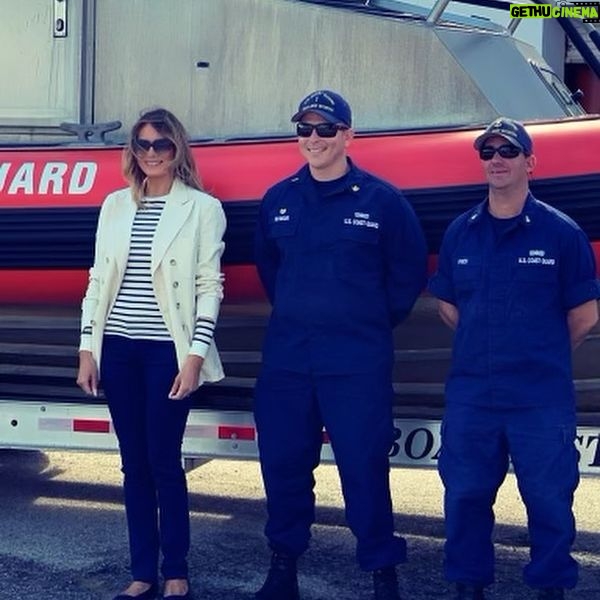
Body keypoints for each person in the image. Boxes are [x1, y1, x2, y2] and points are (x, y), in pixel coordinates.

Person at [253, 89, 428, 600]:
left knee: (363, 467)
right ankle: (283, 567)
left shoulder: (383, 202)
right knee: (283, 467)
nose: (313, 139)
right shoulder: (278, 199)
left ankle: (381, 572)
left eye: (324, 129)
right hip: (288, 360)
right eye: (304, 129)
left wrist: (362, 325)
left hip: (355, 364)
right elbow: (271, 272)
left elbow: (406, 278)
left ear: (348, 135)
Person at [428, 117, 600, 600]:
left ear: (530, 162)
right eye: (488, 152)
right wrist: (490, 345)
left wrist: (535, 350)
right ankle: (468, 586)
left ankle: (550, 588)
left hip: (538, 399)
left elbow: (584, 316)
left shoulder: (561, 234)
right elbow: (448, 306)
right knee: (464, 496)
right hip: (472, 396)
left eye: (508, 151)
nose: (497, 160)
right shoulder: (462, 232)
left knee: (548, 501)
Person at [76, 108, 226, 600]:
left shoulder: (202, 209)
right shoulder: (115, 206)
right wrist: (86, 348)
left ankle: (176, 569)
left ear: (177, 148)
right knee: (132, 464)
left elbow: (209, 286)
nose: (152, 154)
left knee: (164, 460)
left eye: (161, 144)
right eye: (142, 145)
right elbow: (98, 281)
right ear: (132, 152)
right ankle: (143, 571)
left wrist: (195, 355)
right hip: (118, 348)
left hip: (168, 351)